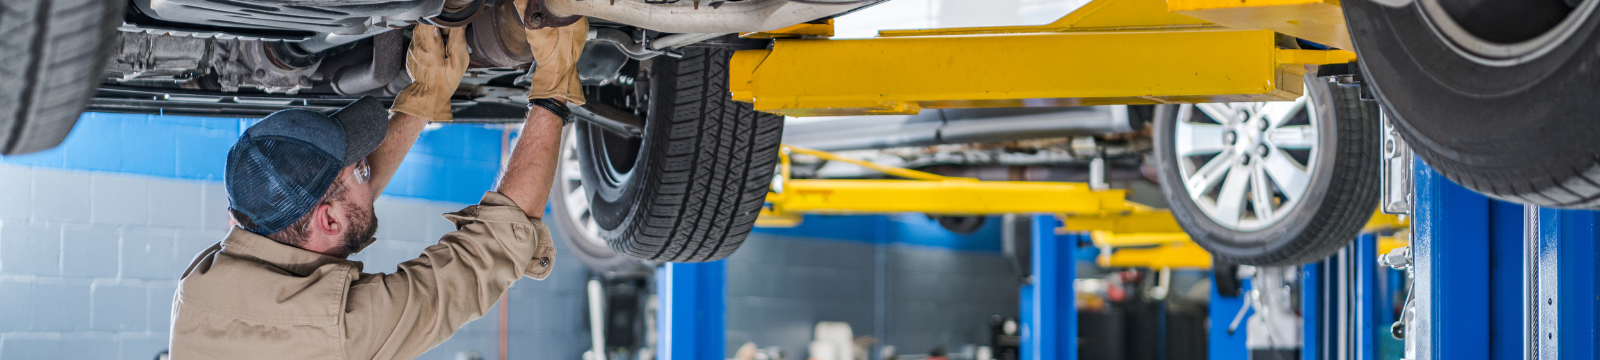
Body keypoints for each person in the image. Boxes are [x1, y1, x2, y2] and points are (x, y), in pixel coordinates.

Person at [167, 7, 591, 358]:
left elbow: (338, 210)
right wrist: (554, 87)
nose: (368, 170)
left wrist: (423, 97)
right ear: (327, 222)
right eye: (362, 171)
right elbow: (494, 247)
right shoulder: (334, 334)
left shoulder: (207, 287)